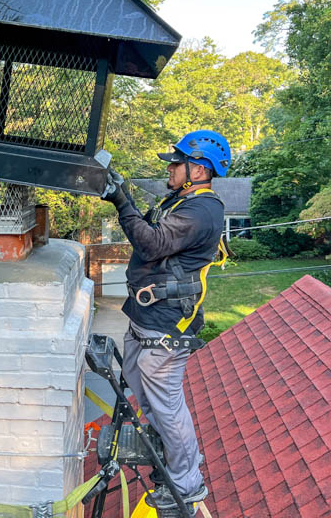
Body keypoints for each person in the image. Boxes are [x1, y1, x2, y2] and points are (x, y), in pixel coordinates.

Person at [101, 130, 231, 516]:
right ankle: (171, 454)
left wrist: (121, 200)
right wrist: (121, 196)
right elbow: (150, 232)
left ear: (198, 168)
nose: (170, 169)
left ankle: (187, 483)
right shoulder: (179, 200)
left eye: (176, 163)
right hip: (145, 318)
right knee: (146, 393)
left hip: (167, 326)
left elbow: (152, 245)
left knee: (167, 405)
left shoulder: (202, 210)